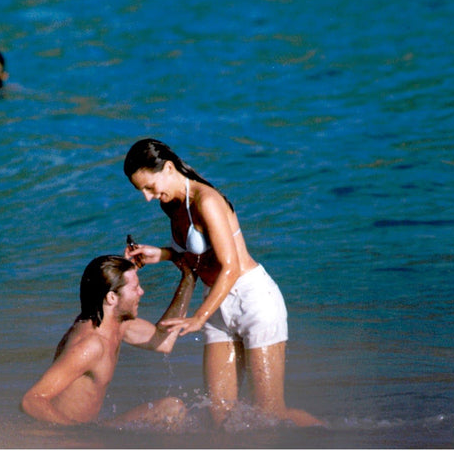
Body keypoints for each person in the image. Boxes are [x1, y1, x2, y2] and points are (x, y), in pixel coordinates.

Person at [122, 138, 324, 428]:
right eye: (140, 190)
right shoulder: (174, 205)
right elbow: (197, 257)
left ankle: (327, 436)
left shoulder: (207, 201)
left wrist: (198, 317)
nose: (147, 197)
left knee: (270, 414)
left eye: (149, 187)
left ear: (167, 168)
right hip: (218, 302)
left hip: (254, 301)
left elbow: (229, 267)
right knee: (219, 414)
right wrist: (163, 255)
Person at [21, 255, 196, 429]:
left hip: (89, 431)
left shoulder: (119, 325)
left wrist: (189, 278)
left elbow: (162, 341)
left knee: (171, 409)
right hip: (66, 439)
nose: (141, 292)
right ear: (111, 297)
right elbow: (32, 401)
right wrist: (79, 436)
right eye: (135, 287)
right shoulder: (90, 345)